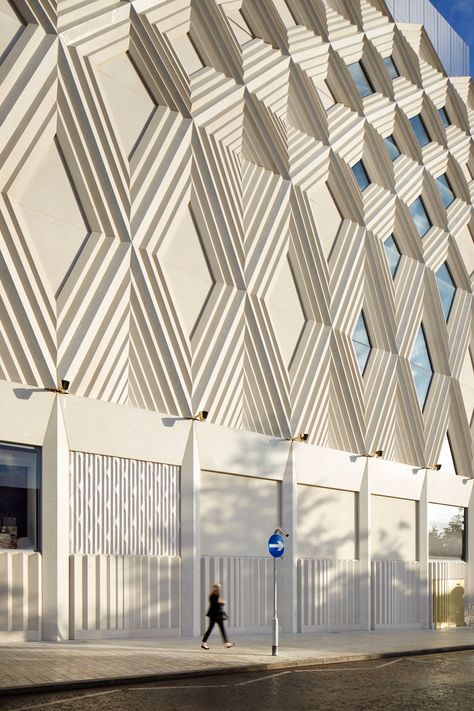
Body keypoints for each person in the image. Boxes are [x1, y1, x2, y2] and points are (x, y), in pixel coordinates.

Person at [201, 583, 235, 649]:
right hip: (218, 615)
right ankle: (227, 643)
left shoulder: (210, 595)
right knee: (222, 629)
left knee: (210, 629)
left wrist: (220, 603)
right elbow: (218, 605)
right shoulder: (217, 595)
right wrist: (223, 603)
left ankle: (204, 643)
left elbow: (213, 604)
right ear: (219, 589)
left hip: (212, 614)